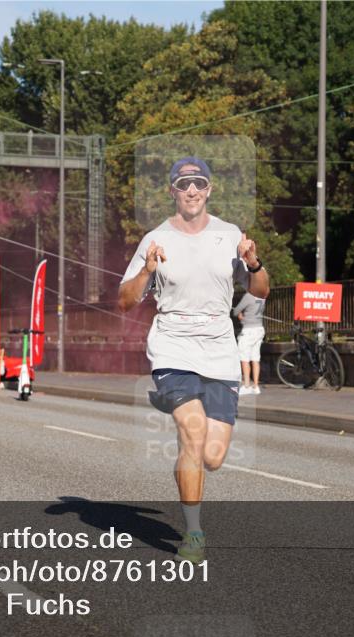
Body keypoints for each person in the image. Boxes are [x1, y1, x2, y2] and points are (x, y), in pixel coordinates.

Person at [118, 157, 270, 564]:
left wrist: (253, 263)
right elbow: (125, 300)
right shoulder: (155, 239)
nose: (191, 190)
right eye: (184, 184)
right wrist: (146, 271)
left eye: (199, 183)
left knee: (213, 457)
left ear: (209, 189)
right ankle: (194, 533)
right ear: (172, 190)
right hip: (173, 346)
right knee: (193, 430)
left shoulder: (230, 235)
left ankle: (181, 425)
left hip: (219, 350)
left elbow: (261, 290)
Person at [232, 292, 266, 395]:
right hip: (259, 329)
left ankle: (246, 385)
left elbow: (236, 311)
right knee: (255, 358)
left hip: (248, 330)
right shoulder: (262, 296)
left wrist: (240, 315)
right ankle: (256, 386)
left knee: (244, 358)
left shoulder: (248, 296)